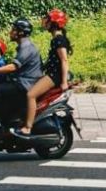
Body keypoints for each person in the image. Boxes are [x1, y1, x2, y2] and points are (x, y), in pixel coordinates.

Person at [0, 19, 42, 130]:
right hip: (23, 83)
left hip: (25, 85)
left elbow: (13, 66)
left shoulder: (26, 48)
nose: (10, 32)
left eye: (13, 29)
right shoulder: (24, 46)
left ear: (20, 33)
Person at [15, 9, 71, 138]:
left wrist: (63, 82)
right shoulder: (56, 39)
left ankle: (28, 127)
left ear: (55, 23)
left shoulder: (59, 40)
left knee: (30, 95)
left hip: (54, 76)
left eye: (48, 20)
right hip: (51, 74)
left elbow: (64, 60)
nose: (45, 22)